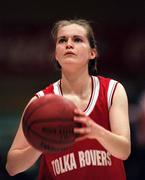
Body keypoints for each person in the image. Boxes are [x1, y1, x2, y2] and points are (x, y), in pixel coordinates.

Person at [6, 19, 131, 180]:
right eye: (62, 40)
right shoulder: (40, 102)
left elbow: (124, 150)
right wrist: (41, 143)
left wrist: (95, 131)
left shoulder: (112, 91)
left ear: (92, 53)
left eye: (77, 39)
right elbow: (12, 167)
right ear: (56, 55)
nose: (69, 44)